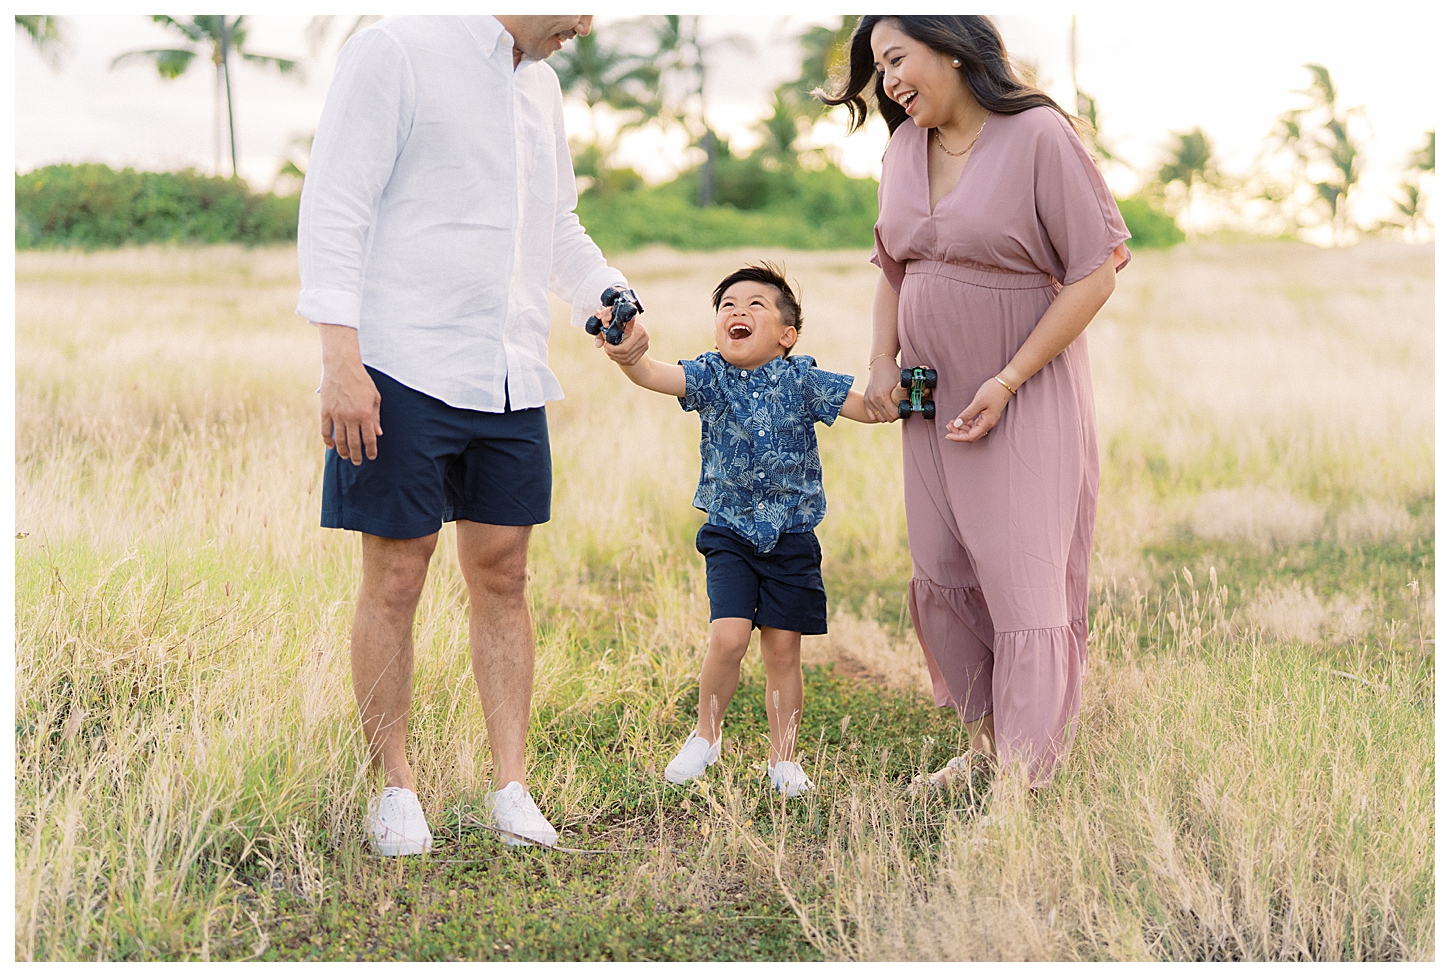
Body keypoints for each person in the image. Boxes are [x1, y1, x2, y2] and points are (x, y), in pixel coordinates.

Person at [296, 15, 648, 855]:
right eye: (576, 5)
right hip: (402, 364)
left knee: (505, 572)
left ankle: (511, 787)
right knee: (395, 576)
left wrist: (607, 294)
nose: (584, 24)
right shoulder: (398, 46)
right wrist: (341, 359)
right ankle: (396, 789)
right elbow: (335, 201)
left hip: (510, 369)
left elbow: (556, 224)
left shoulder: (543, 86)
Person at [819, 16, 1131, 789]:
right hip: (932, 399)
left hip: (1019, 389)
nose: (887, 82)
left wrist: (1008, 379)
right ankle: (987, 745)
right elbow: (893, 268)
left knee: (1022, 576)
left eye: (896, 59)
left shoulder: (1037, 137)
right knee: (946, 563)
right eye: (878, 70)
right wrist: (881, 359)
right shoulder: (900, 150)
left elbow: (1096, 270)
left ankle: (1025, 780)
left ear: (951, 46)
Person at [596, 262, 882, 796]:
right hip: (730, 533)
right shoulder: (711, 376)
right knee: (728, 638)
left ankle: (783, 762)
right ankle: (706, 736)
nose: (738, 311)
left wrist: (899, 399)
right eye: (727, 305)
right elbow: (655, 374)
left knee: (782, 650)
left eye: (755, 305)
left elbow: (867, 407)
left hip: (792, 538)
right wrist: (627, 353)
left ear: (786, 335)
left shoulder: (803, 379)